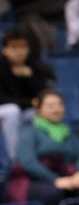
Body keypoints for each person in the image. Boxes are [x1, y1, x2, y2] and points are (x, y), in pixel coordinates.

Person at [6, 89, 79, 205]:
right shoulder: (30, 131)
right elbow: (28, 162)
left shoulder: (69, 132)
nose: (56, 109)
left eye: (60, 104)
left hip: (69, 177)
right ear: (39, 109)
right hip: (38, 179)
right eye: (50, 106)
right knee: (51, 194)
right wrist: (54, 179)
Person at [0, 30, 55, 160]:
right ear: (5, 50)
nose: (19, 51)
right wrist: (30, 102)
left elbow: (42, 95)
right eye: (14, 47)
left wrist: (30, 77)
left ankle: (45, 157)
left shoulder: (34, 67)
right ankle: (16, 160)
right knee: (13, 111)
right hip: (5, 110)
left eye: (23, 47)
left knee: (36, 113)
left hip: (24, 111)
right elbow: (2, 99)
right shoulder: (1, 68)